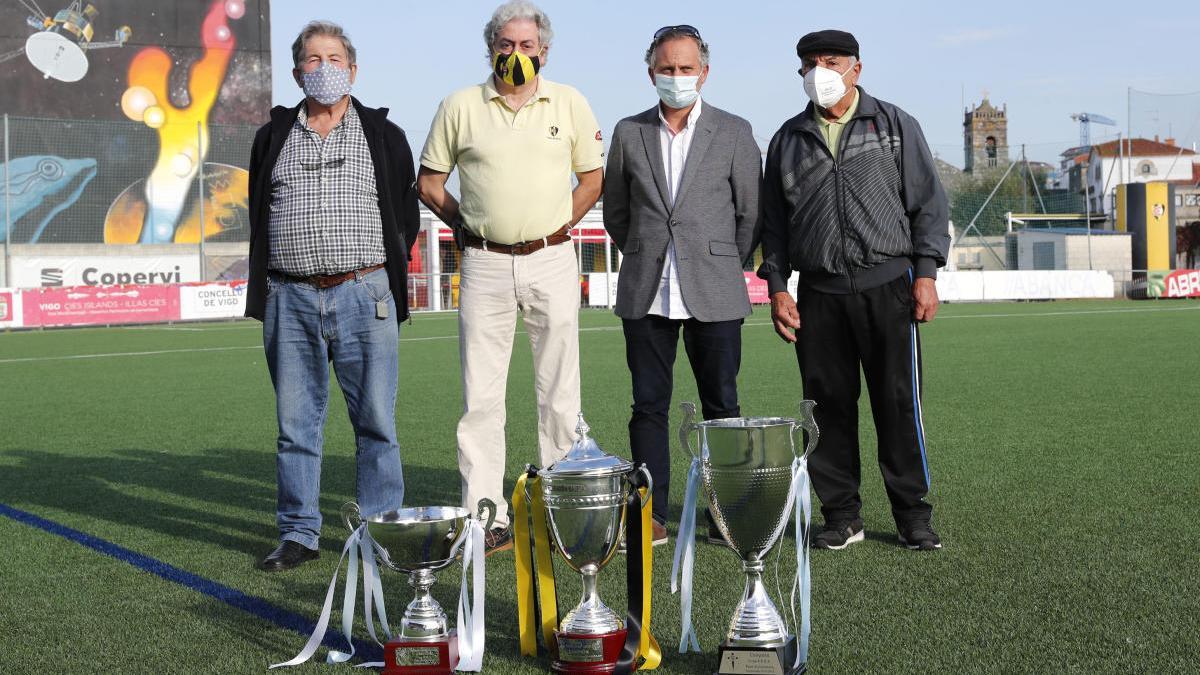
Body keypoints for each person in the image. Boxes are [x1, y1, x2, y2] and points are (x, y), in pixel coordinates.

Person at [416, 0, 604, 555]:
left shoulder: (568, 102)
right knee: (481, 394)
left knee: (560, 390)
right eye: (506, 44)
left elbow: (592, 179)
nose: (516, 54)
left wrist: (552, 227)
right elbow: (429, 183)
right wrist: (470, 227)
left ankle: (559, 505)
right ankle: (486, 516)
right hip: (484, 262)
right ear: (490, 48)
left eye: (526, 46)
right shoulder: (460, 105)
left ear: (543, 51)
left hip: (552, 257)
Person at [757, 29, 950, 551]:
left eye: (832, 60)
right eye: (811, 62)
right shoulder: (787, 139)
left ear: (856, 69)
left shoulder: (892, 125)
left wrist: (927, 272)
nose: (821, 70)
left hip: (889, 284)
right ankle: (841, 515)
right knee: (827, 408)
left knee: (897, 403)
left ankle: (912, 515)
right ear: (799, 72)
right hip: (819, 293)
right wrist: (777, 287)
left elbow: (928, 204)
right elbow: (772, 224)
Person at [245, 20, 419, 571]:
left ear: (353, 68)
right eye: (313, 60)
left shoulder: (382, 135)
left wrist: (375, 274)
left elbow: (406, 215)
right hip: (289, 297)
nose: (324, 69)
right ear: (298, 72)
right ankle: (299, 533)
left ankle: (381, 528)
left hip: (363, 293)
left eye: (334, 58)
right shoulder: (272, 137)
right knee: (295, 426)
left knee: (376, 422)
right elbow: (259, 212)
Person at [603, 25, 761, 546]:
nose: (677, 77)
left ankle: (725, 514)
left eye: (686, 68)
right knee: (648, 404)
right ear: (651, 73)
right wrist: (649, 251)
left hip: (714, 286)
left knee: (722, 405)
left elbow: (749, 214)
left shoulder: (734, 131)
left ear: (704, 72)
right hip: (647, 285)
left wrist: (716, 260)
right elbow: (617, 213)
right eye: (667, 69)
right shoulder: (629, 132)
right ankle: (651, 514)